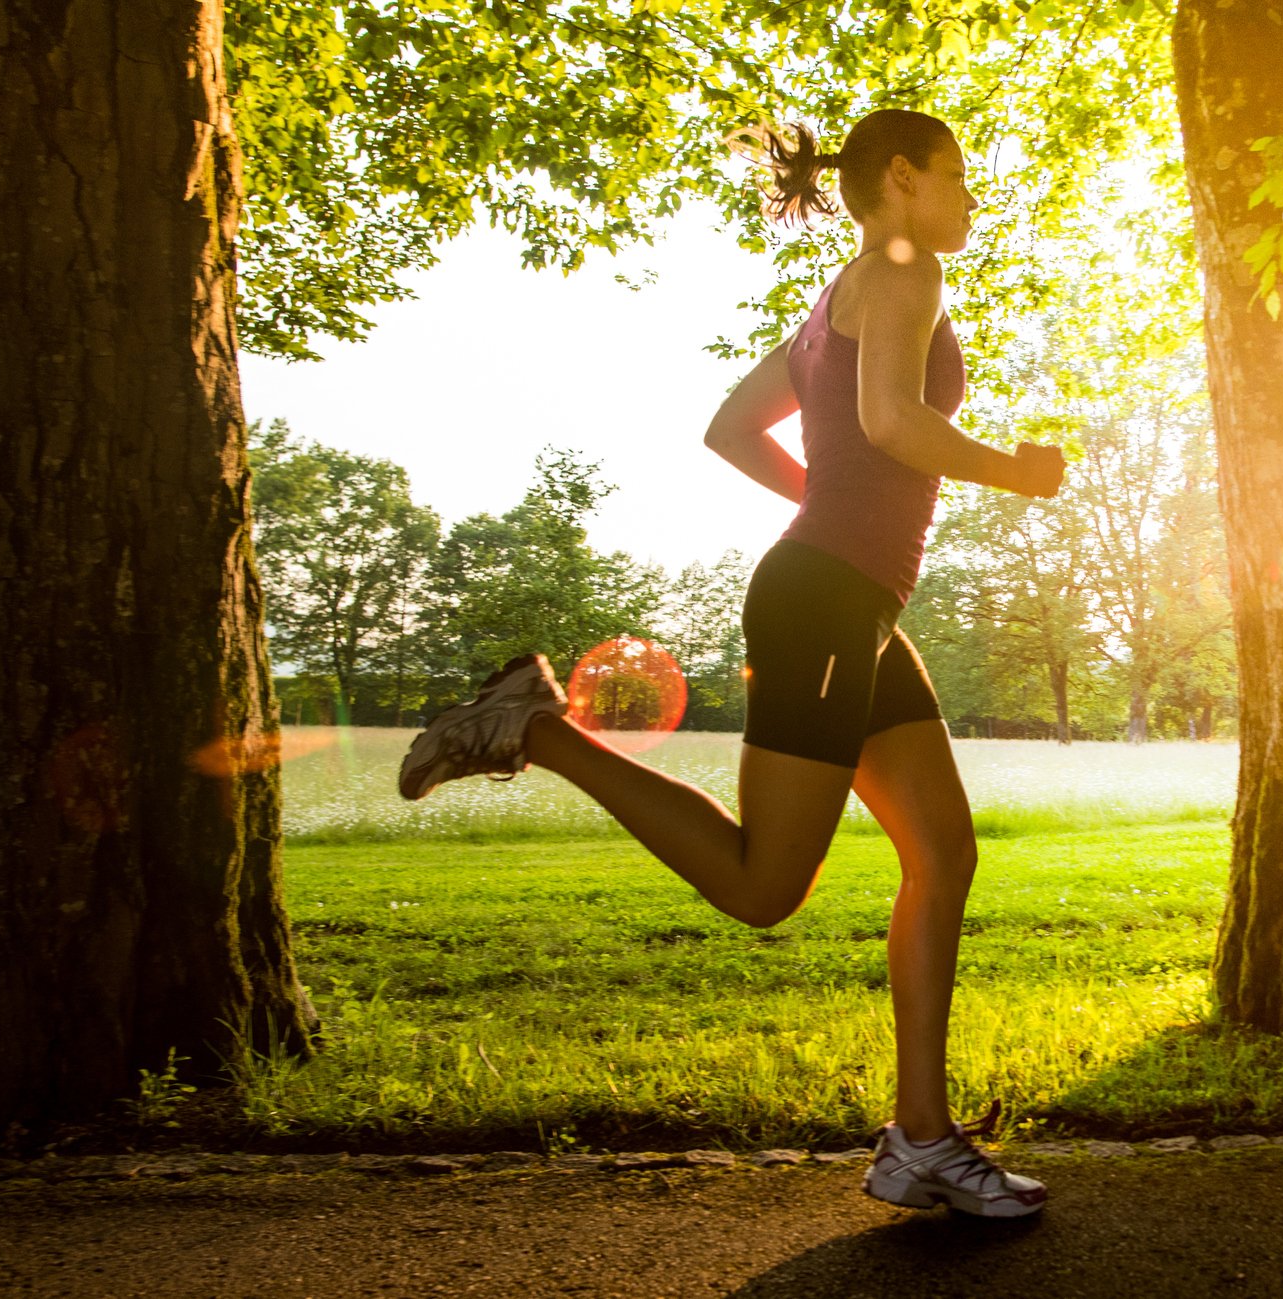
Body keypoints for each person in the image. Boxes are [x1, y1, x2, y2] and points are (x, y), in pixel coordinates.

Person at [395, 108, 1065, 1219]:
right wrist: (1014, 470)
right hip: (824, 603)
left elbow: (731, 428)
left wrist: (840, 506)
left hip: (847, 598)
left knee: (941, 853)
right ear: (899, 179)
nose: (969, 198)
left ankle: (920, 1140)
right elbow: (893, 422)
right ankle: (536, 727)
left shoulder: (832, 301)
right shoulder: (904, 269)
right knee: (764, 887)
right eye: (957, 176)